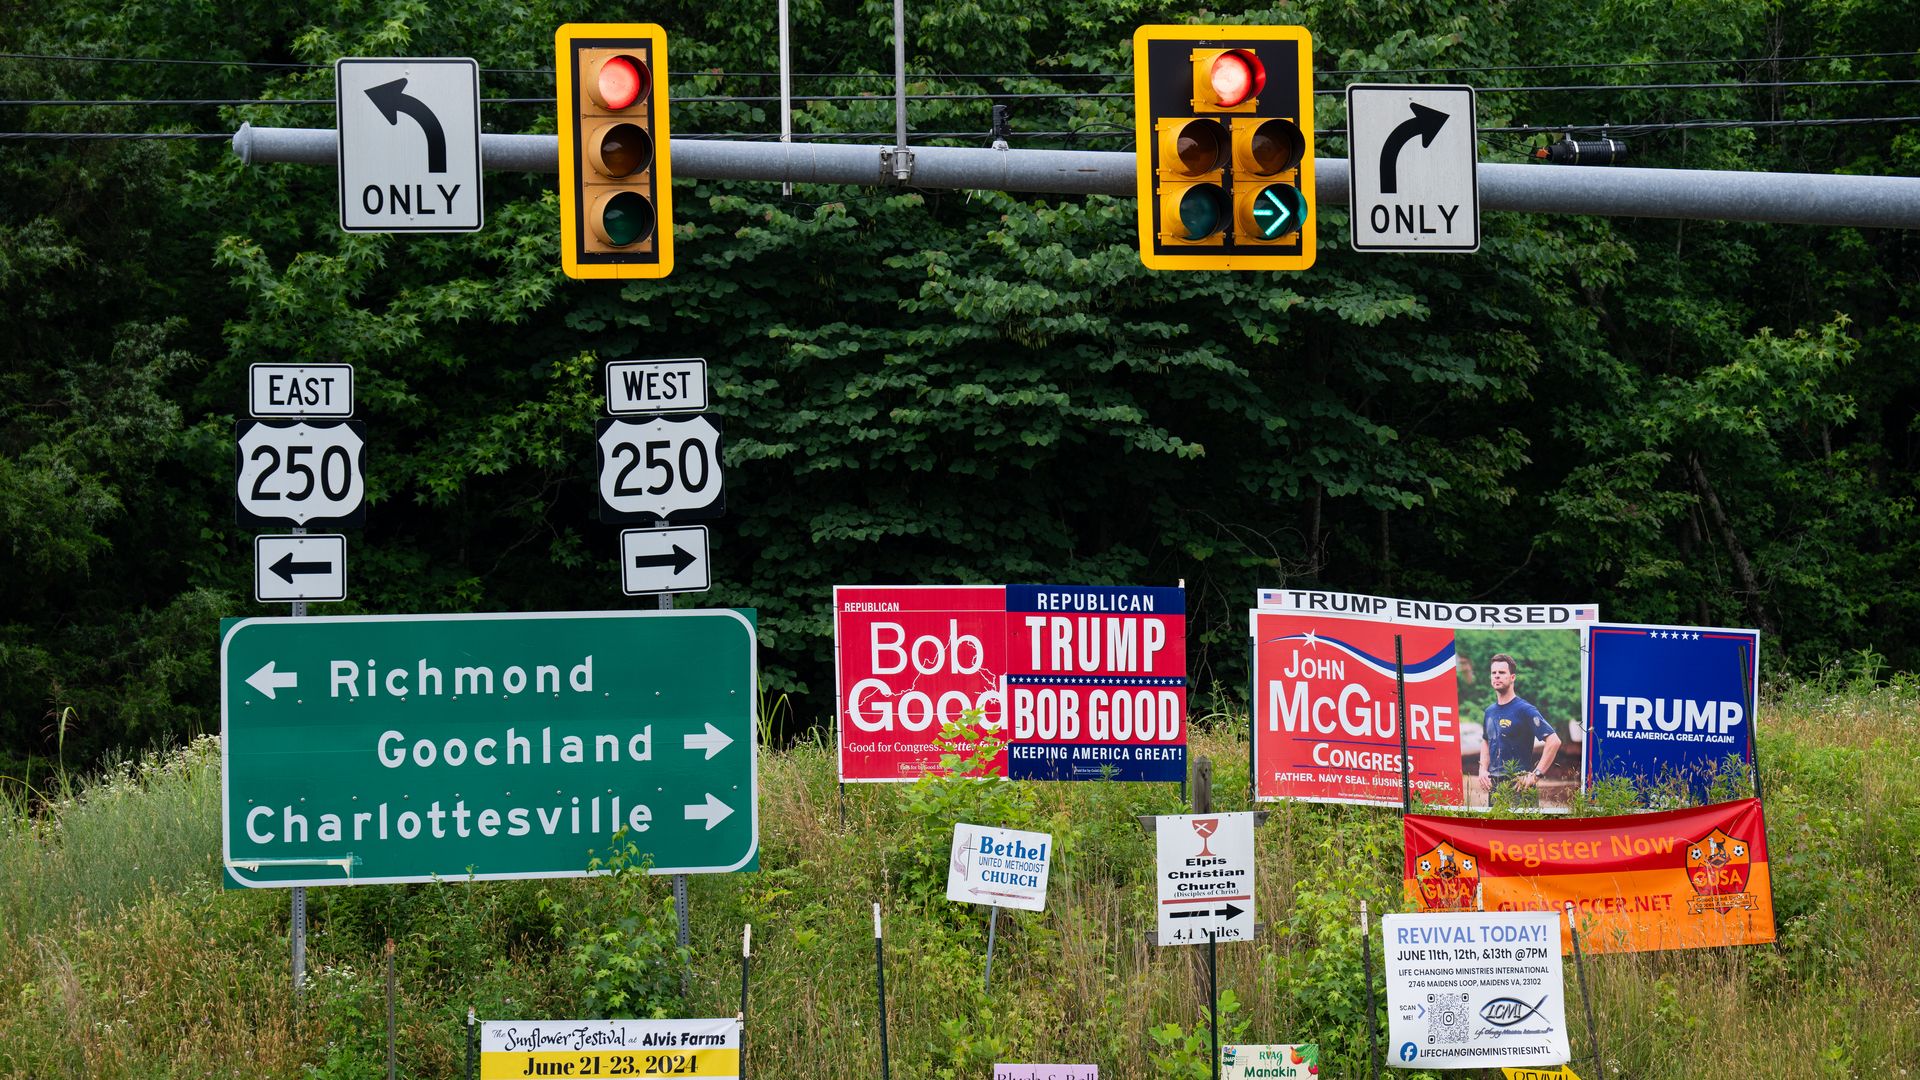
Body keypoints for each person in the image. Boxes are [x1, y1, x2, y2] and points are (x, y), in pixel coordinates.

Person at [1476, 653, 1561, 798]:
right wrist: (1482, 769)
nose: (1497, 676)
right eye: (1493, 673)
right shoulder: (1489, 712)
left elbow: (1554, 741)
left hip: (1519, 786)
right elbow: (1486, 740)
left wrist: (1536, 775)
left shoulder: (1525, 710)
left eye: (1502, 672)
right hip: (1495, 787)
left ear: (1512, 677)